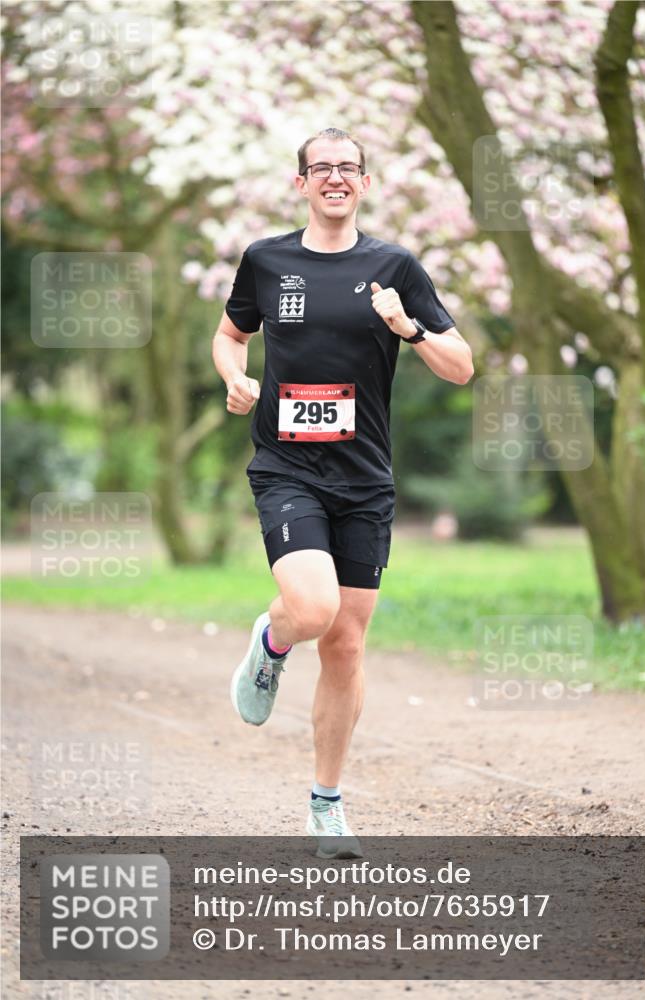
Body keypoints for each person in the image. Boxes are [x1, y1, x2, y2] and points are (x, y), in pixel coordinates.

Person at [212, 127, 473, 858]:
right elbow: (229, 335)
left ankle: (325, 805)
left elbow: (461, 366)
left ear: (365, 182)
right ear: (300, 183)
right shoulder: (266, 260)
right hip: (287, 468)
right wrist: (234, 376)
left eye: (348, 167)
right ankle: (271, 642)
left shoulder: (394, 267)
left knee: (347, 646)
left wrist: (408, 328)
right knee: (312, 610)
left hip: (364, 479)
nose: (335, 177)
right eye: (321, 167)